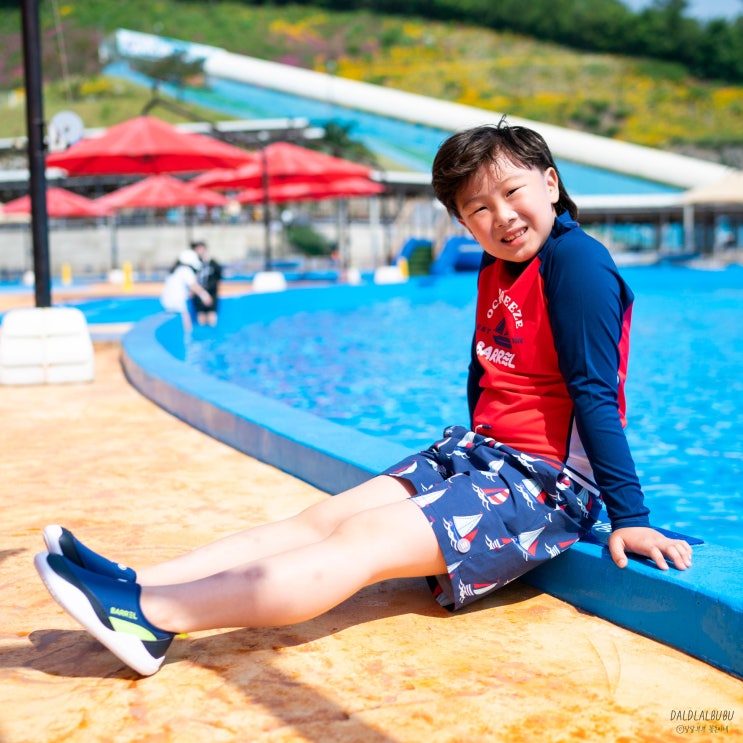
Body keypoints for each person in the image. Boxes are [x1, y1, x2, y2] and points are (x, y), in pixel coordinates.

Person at [34, 120, 693, 677]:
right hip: (484, 456)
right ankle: (139, 583)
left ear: (550, 182)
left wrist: (629, 515)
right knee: (317, 521)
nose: (501, 217)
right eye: (477, 209)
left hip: (546, 485)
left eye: (512, 192)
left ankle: (152, 619)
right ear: (462, 221)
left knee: (360, 541)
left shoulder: (577, 263)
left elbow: (593, 394)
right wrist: (466, 460)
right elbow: (482, 370)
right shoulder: (497, 266)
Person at [159, 248, 213, 334]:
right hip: (177, 301)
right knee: (186, 323)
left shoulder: (175, 271)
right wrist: (205, 296)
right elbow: (193, 285)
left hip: (166, 301)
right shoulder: (185, 270)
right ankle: (188, 338)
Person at [191, 241, 222, 327]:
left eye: (200, 248)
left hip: (211, 293)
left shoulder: (212, 263)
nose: (199, 250)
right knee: (201, 314)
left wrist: (211, 291)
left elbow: (219, 276)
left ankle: (213, 332)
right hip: (198, 293)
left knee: (211, 314)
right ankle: (202, 333)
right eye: (197, 249)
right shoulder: (194, 264)